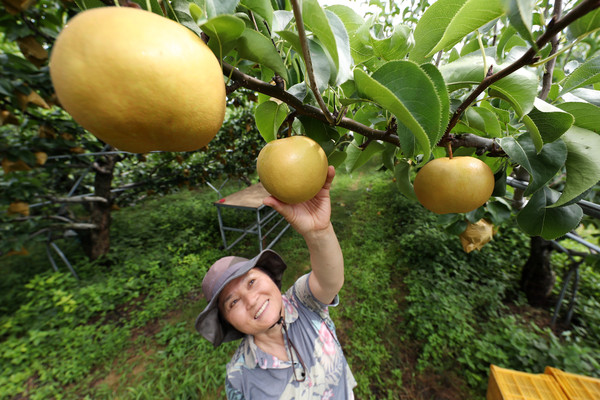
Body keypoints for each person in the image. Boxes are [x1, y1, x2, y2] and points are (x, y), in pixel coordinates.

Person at [195, 166, 356, 399]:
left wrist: (319, 232)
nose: (251, 300)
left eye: (251, 282)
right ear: (228, 321)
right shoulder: (240, 378)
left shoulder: (303, 303)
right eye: (233, 303)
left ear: (269, 277)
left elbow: (329, 279)